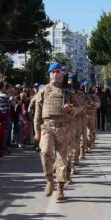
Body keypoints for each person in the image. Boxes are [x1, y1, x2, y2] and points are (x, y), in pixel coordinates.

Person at [33, 63, 74, 201]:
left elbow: (80, 109)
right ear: (50, 74)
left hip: (63, 127)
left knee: (62, 159)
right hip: (47, 126)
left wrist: (70, 109)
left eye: (59, 71)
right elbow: (37, 113)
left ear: (63, 74)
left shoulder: (68, 92)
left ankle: (60, 189)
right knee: (45, 152)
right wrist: (37, 131)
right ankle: (49, 179)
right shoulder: (44, 90)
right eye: (54, 72)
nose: (57, 74)